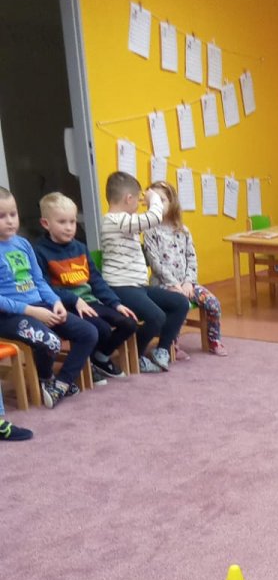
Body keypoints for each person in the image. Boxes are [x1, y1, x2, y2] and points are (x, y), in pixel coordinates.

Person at [0, 185, 98, 408]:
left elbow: (39, 280)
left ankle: (60, 384)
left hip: (40, 304)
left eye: (13, 214)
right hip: (9, 315)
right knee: (51, 342)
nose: (10, 221)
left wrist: (55, 301)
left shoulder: (23, 244)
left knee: (88, 332)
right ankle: (45, 378)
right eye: (2, 216)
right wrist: (32, 311)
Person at [35, 191, 142, 382]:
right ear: (45, 223)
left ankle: (98, 358)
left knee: (129, 323)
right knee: (102, 329)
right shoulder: (39, 251)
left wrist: (115, 303)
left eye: (72, 221)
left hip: (90, 302)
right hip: (66, 306)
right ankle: (88, 366)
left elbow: (96, 280)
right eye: (62, 222)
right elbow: (43, 288)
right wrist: (74, 299)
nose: (69, 227)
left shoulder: (80, 247)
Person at [100, 172, 188, 373]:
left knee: (180, 303)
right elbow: (154, 218)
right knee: (157, 317)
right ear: (128, 198)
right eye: (138, 200)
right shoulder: (115, 220)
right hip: (121, 287)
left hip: (137, 286)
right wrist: (154, 198)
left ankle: (162, 350)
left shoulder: (125, 221)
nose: (140, 205)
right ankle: (135, 356)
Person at [143, 181, 227, 357]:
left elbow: (191, 258)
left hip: (187, 283)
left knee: (213, 303)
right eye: (154, 200)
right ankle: (172, 345)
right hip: (164, 285)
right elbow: (155, 263)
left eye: (162, 200)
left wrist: (188, 282)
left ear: (172, 202)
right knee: (179, 306)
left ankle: (214, 340)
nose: (157, 204)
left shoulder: (183, 230)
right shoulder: (150, 231)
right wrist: (174, 284)